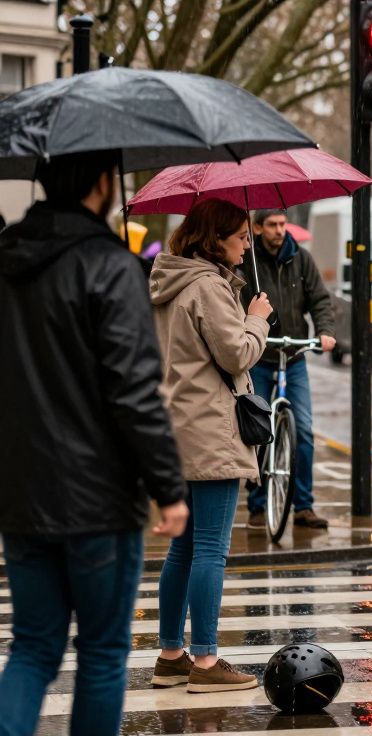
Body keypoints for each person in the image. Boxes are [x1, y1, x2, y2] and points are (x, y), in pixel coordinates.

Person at [0, 151, 190, 736]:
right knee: (103, 653)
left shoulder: (5, 262)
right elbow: (134, 391)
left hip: (20, 491)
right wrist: (168, 487)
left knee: (33, 646)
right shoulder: (109, 265)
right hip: (98, 498)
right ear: (102, 182)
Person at [150, 199, 273, 693]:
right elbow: (237, 351)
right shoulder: (206, 285)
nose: (248, 244)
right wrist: (257, 317)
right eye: (241, 236)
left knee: (182, 550)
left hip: (177, 425)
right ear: (214, 238)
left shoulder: (168, 280)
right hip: (211, 429)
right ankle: (204, 661)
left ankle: (170, 655)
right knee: (210, 551)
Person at [238, 209, 335, 530]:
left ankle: (303, 506)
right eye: (272, 225)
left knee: (303, 430)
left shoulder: (301, 259)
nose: (279, 230)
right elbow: (235, 302)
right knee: (257, 430)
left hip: (293, 356)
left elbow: (320, 299)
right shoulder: (248, 262)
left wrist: (325, 330)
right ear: (258, 228)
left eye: (282, 224)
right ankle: (257, 503)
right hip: (260, 357)